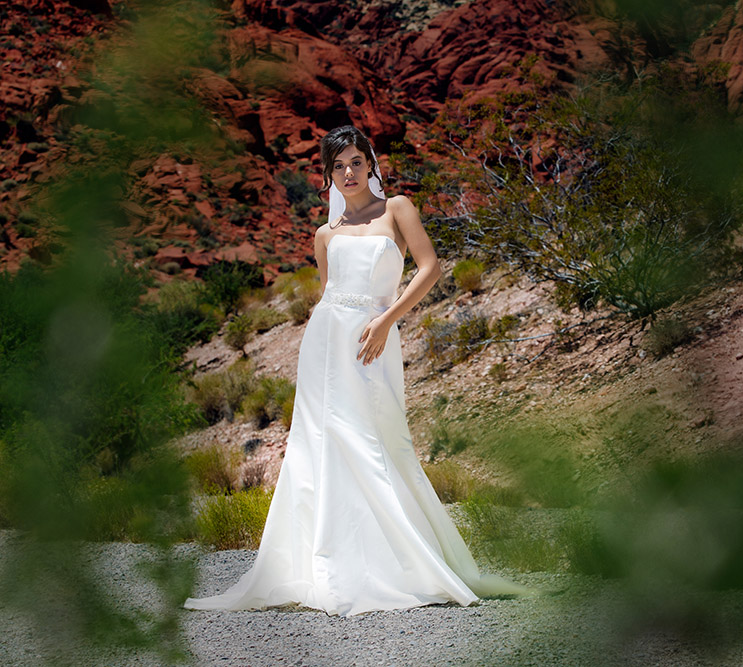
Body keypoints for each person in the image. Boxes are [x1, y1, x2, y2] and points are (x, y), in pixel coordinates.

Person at [183, 126, 527, 617]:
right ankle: (333, 566)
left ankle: (406, 562)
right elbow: (328, 295)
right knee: (323, 444)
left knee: (382, 442)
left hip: (376, 338)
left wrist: (387, 320)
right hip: (327, 344)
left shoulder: (397, 209)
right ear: (327, 175)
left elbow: (429, 267)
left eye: (356, 162)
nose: (348, 173)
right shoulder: (326, 234)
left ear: (371, 166)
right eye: (338, 166)